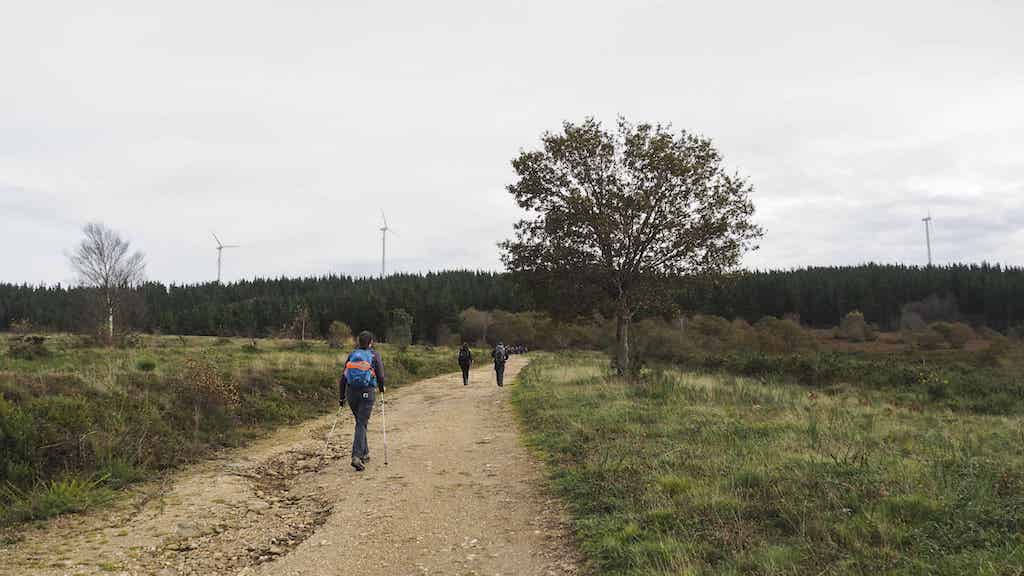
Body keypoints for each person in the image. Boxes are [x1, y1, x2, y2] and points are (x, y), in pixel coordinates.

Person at [338, 330, 385, 471]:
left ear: (359, 342)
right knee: (361, 423)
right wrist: (382, 389)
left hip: (351, 392)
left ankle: (364, 453)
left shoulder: (352, 355)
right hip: (367, 392)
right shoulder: (374, 355)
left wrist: (341, 397)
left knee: (360, 422)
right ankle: (356, 456)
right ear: (371, 342)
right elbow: (381, 376)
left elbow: (343, 378)